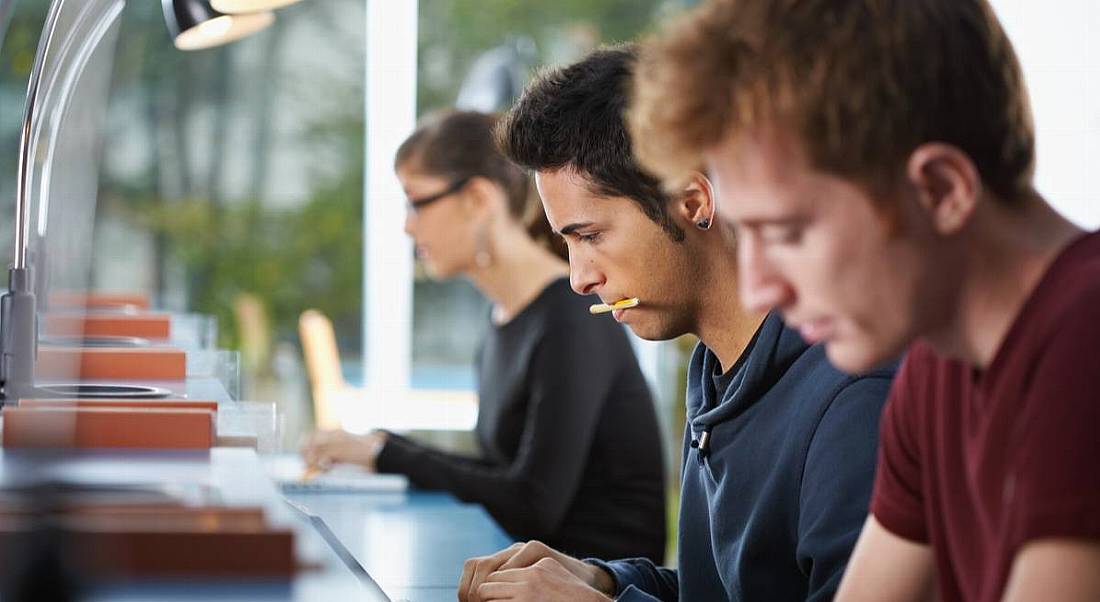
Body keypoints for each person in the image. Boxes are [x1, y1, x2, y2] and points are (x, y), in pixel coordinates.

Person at [628, 1, 1100, 601]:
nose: (758, 288)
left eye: (788, 234)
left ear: (939, 189)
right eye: (745, 236)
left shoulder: (1084, 346)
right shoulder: (937, 369)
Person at [457, 46, 895, 602]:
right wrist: (607, 579)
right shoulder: (718, 368)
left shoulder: (856, 397)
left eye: (590, 237)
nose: (579, 278)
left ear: (692, 201)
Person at [303, 110, 666, 563]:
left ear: (477, 198)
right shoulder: (505, 317)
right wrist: (382, 445)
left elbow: (533, 503)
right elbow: (502, 473)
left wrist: (387, 454)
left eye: (416, 202)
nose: (407, 225)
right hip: (528, 571)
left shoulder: (572, 319)